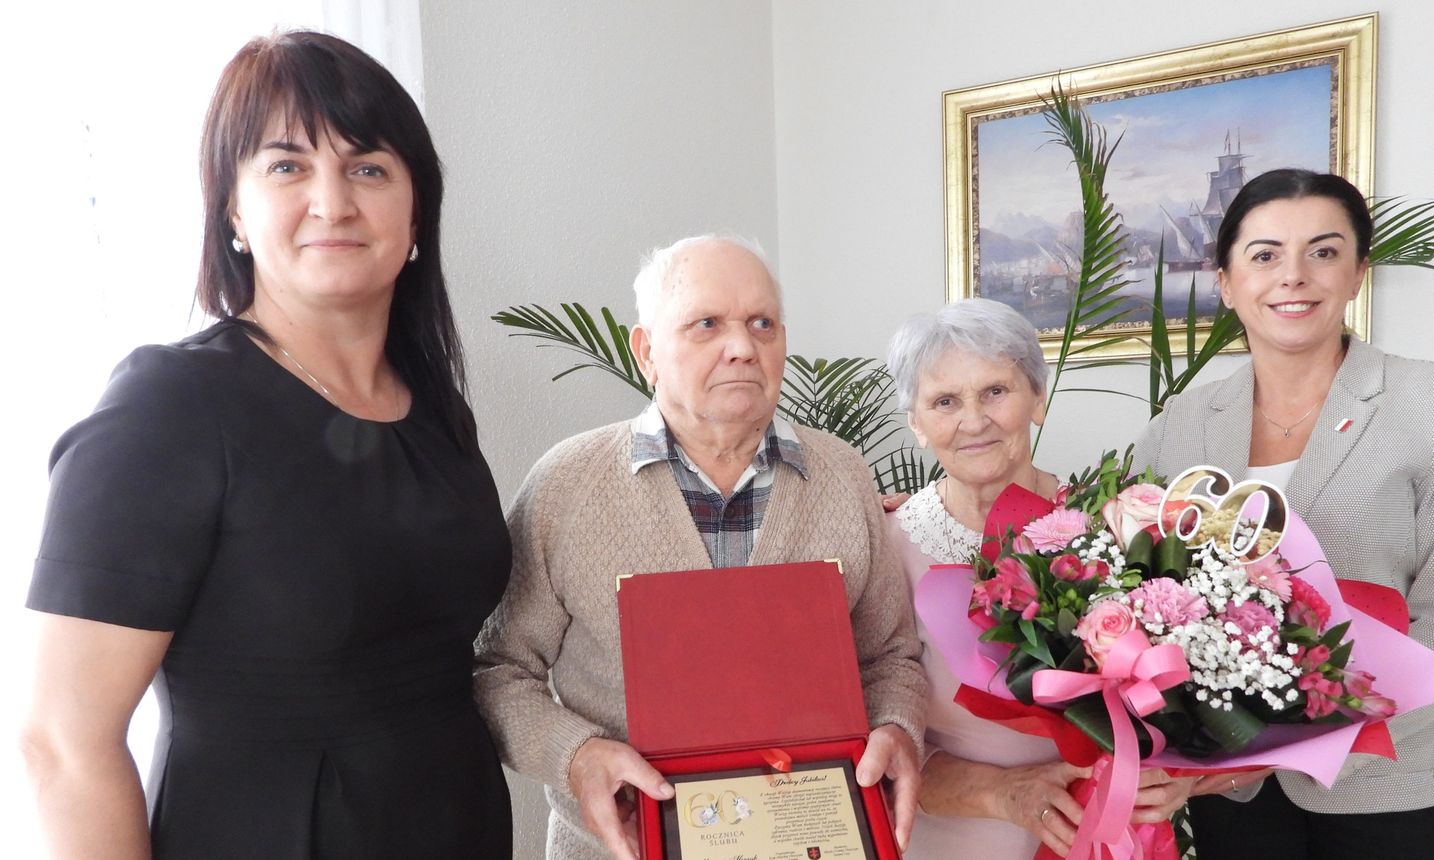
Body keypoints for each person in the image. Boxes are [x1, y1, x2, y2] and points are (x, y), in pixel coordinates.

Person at [20, 32, 513, 859]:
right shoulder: (168, 406)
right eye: (287, 166)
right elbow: (63, 746)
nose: (332, 202)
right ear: (234, 212)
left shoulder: (435, 410)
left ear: (416, 213)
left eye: (368, 168)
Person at [474, 235, 928, 860]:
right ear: (646, 351)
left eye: (762, 323)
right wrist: (575, 756)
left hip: (809, 839)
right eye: (706, 324)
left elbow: (890, 656)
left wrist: (898, 728)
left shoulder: (843, 474)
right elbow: (497, 669)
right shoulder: (566, 484)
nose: (742, 347)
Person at [1133, 169, 1434, 860]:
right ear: (1226, 281)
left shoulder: (1431, 401)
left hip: (1390, 786)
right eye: (1265, 254)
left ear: (1358, 273)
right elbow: (1145, 593)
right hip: (1232, 796)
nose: (1293, 276)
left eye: (1324, 252)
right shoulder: (1180, 423)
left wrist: (1301, 745)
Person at [884, 298, 1194, 858]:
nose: (973, 421)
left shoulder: (1115, 523)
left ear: (1037, 399)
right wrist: (1003, 793)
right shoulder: (885, 547)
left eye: (995, 392)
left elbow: (1187, 692)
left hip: (1103, 835)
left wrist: (1177, 774)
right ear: (917, 423)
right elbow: (871, 737)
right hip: (948, 840)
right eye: (945, 401)